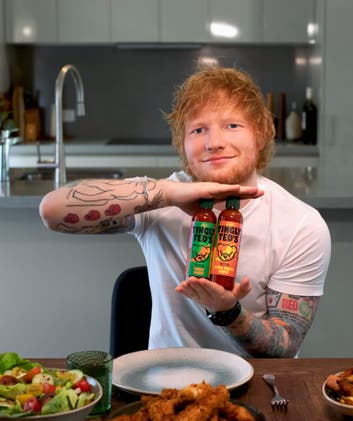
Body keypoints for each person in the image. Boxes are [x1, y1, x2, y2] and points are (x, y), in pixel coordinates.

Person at [39, 66, 331, 358]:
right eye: (198, 129)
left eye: (232, 125)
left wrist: (229, 312)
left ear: (263, 133)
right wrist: (167, 194)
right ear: (182, 142)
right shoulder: (158, 199)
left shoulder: (301, 224)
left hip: (254, 388)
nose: (213, 142)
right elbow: (52, 211)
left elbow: (284, 345)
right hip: (165, 385)